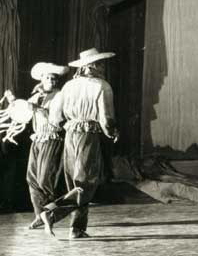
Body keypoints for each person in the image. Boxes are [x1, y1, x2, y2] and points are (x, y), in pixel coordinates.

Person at [40, 48, 119, 239]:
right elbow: (106, 118)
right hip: (88, 135)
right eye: (99, 63)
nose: (102, 67)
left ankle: (76, 228)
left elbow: (55, 118)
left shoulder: (68, 87)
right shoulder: (102, 86)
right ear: (91, 66)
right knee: (86, 182)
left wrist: (69, 124)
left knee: (74, 183)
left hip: (70, 135)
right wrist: (111, 132)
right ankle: (52, 212)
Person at [3, 62, 68, 229]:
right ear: (42, 79)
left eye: (54, 78)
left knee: (45, 179)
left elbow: (56, 118)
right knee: (32, 179)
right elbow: (21, 113)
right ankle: (40, 215)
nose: (52, 81)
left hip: (52, 139)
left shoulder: (59, 96)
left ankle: (50, 213)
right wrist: (12, 101)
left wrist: (37, 108)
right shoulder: (36, 96)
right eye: (48, 78)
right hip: (37, 140)